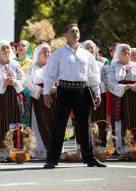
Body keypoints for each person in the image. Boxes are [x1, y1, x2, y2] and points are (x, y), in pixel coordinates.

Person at [43, 24, 106, 169]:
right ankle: (52, 159)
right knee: (59, 125)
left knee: (85, 127)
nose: (76, 33)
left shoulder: (87, 54)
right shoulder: (58, 54)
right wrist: (47, 92)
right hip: (64, 91)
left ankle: (89, 159)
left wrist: (97, 92)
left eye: (77, 31)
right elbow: (49, 74)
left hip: (83, 91)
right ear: (66, 34)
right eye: (72, 31)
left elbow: (93, 75)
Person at [0, 40, 25, 160]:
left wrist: (15, 82)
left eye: (8, 48)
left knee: (15, 121)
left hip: (13, 97)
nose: (6, 51)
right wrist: (3, 83)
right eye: (3, 48)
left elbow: (24, 80)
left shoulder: (15, 65)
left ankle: (14, 152)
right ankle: (0, 152)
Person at [105, 44, 136, 160]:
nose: (127, 52)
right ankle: (123, 150)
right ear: (118, 53)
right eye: (124, 50)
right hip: (120, 97)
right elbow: (109, 83)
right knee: (121, 121)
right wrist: (124, 87)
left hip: (135, 96)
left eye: (128, 50)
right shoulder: (112, 67)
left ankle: (134, 149)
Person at [26, 43, 56, 159]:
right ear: (38, 54)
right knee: (41, 123)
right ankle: (42, 152)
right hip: (39, 99)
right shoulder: (32, 68)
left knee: (55, 123)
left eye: (49, 51)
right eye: (44, 51)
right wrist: (41, 90)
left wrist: (55, 89)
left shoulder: (55, 67)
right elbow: (28, 83)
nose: (47, 53)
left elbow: (61, 80)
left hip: (55, 97)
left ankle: (55, 150)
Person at [16, 40, 33, 128]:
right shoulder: (11, 62)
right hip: (15, 95)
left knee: (27, 120)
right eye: (19, 45)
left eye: (23, 45)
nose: (20, 47)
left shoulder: (32, 63)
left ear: (27, 49)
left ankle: (26, 140)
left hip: (28, 95)